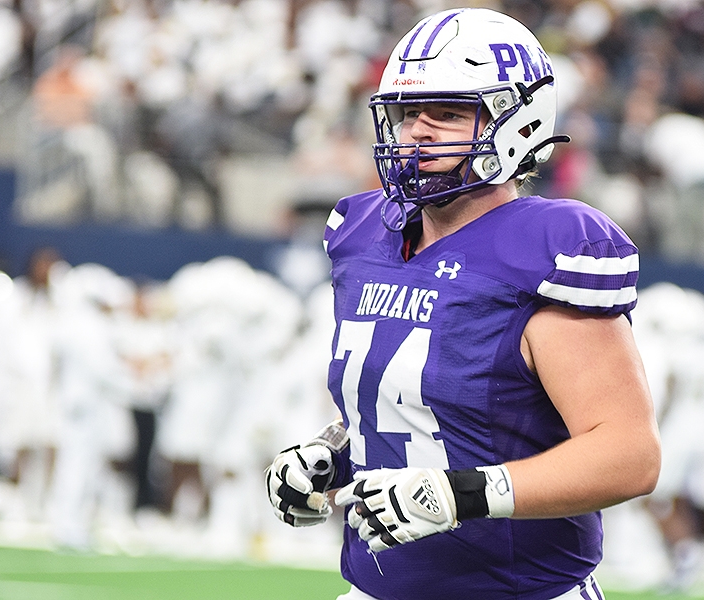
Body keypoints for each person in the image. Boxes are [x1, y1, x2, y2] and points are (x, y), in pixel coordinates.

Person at [265, 8, 661, 600]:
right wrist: (332, 454)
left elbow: (628, 456)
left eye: (448, 112)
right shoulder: (364, 234)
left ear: (517, 121)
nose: (417, 131)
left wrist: (460, 495)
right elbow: (427, 413)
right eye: (405, 114)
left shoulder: (546, 248)